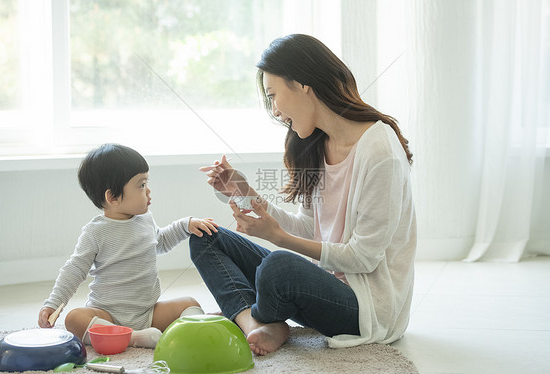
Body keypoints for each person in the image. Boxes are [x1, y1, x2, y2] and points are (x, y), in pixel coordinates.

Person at [191, 34, 416, 356]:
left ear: (302, 84)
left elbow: (364, 258)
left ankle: (254, 314)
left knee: (280, 266)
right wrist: (243, 192)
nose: (274, 110)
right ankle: (258, 322)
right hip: (316, 286)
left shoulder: (380, 152)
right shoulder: (316, 145)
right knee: (205, 236)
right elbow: (309, 227)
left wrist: (279, 238)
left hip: (366, 310)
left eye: (273, 95)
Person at [38, 143, 218, 348]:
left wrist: (185, 225)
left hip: (148, 313)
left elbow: (161, 242)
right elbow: (75, 270)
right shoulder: (95, 232)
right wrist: (53, 304)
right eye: (141, 185)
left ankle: (194, 331)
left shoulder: (145, 220)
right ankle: (133, 338)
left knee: (189, 303)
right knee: (75, 318)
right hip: (108, 315)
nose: (148, 191)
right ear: (112, 197)